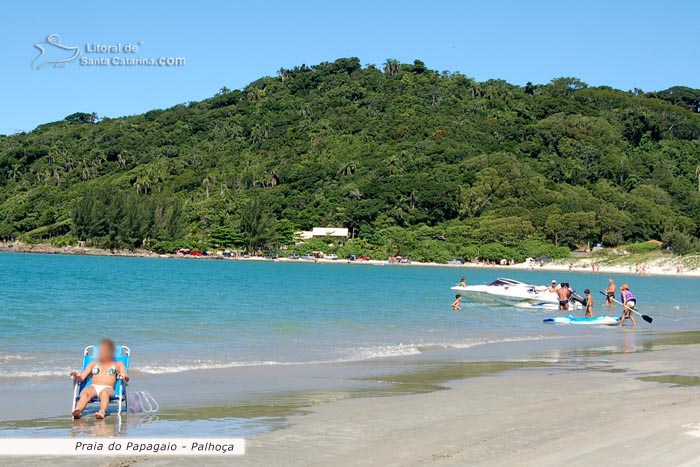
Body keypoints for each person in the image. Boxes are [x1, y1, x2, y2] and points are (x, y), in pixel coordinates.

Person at [70, 338, 129, 420]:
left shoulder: (118, 364)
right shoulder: (93, 364)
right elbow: (82, 377)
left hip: (108, 388)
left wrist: (123, 375)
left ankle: (102, 411)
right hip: (94, 387)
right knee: (85, 393)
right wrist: (76, 375)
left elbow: (126, 377)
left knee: (104, 393)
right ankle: (78, 410)